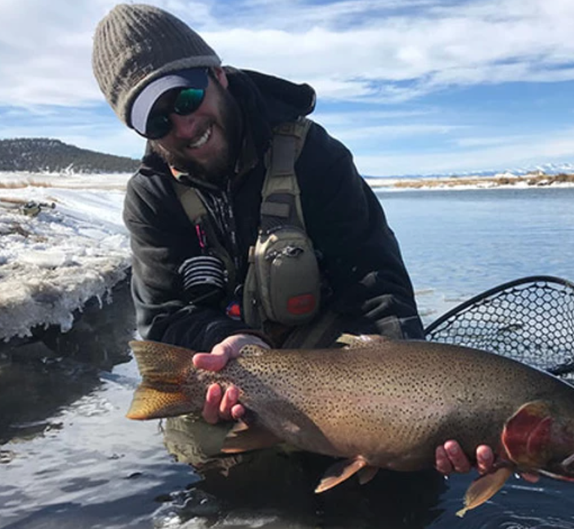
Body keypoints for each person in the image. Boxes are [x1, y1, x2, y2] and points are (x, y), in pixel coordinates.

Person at [92, 3, 495, 478]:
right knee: (203, 442)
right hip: (237, 369)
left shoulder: (313, 154)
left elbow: (372, 278)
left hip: (332, 356)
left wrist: (414, 408)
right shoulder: (152, 195)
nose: (183, 127)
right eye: (157, 122)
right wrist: (224, 339)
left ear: (218, 76)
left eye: (185, 99)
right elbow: (164, 316)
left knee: (407, 459)